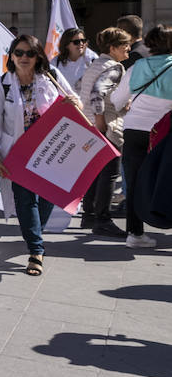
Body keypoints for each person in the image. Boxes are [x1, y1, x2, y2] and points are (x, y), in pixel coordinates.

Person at [0, 34, 80, 276]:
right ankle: (36, 249)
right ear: (11, 56)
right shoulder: (2, 83)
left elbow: (74, 102)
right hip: (17, 152)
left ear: (38, 57)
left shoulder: (51, 77)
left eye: (29, 53)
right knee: (25, 200)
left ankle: (34, 233)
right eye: (19, 53)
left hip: (50, 150)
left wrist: (72, 102)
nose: (24, 57)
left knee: (47, 198)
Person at [109, 24, 172, 249]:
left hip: (134, 129)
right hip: (165, 133)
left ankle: (135, 234)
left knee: (134, 182)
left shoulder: (137, 66)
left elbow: (116, 100)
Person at [77, 27, 131, 237]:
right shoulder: (114, 67)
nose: (128, 48)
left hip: (90, 124)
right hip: (106, 127)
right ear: (113, 47)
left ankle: (89, 215)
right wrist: (101, 119)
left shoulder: (95, 64)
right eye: (124, 44)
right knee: (109, 174)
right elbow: (97, 93)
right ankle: (102, 219)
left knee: (94, 172)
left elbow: (82, 88)